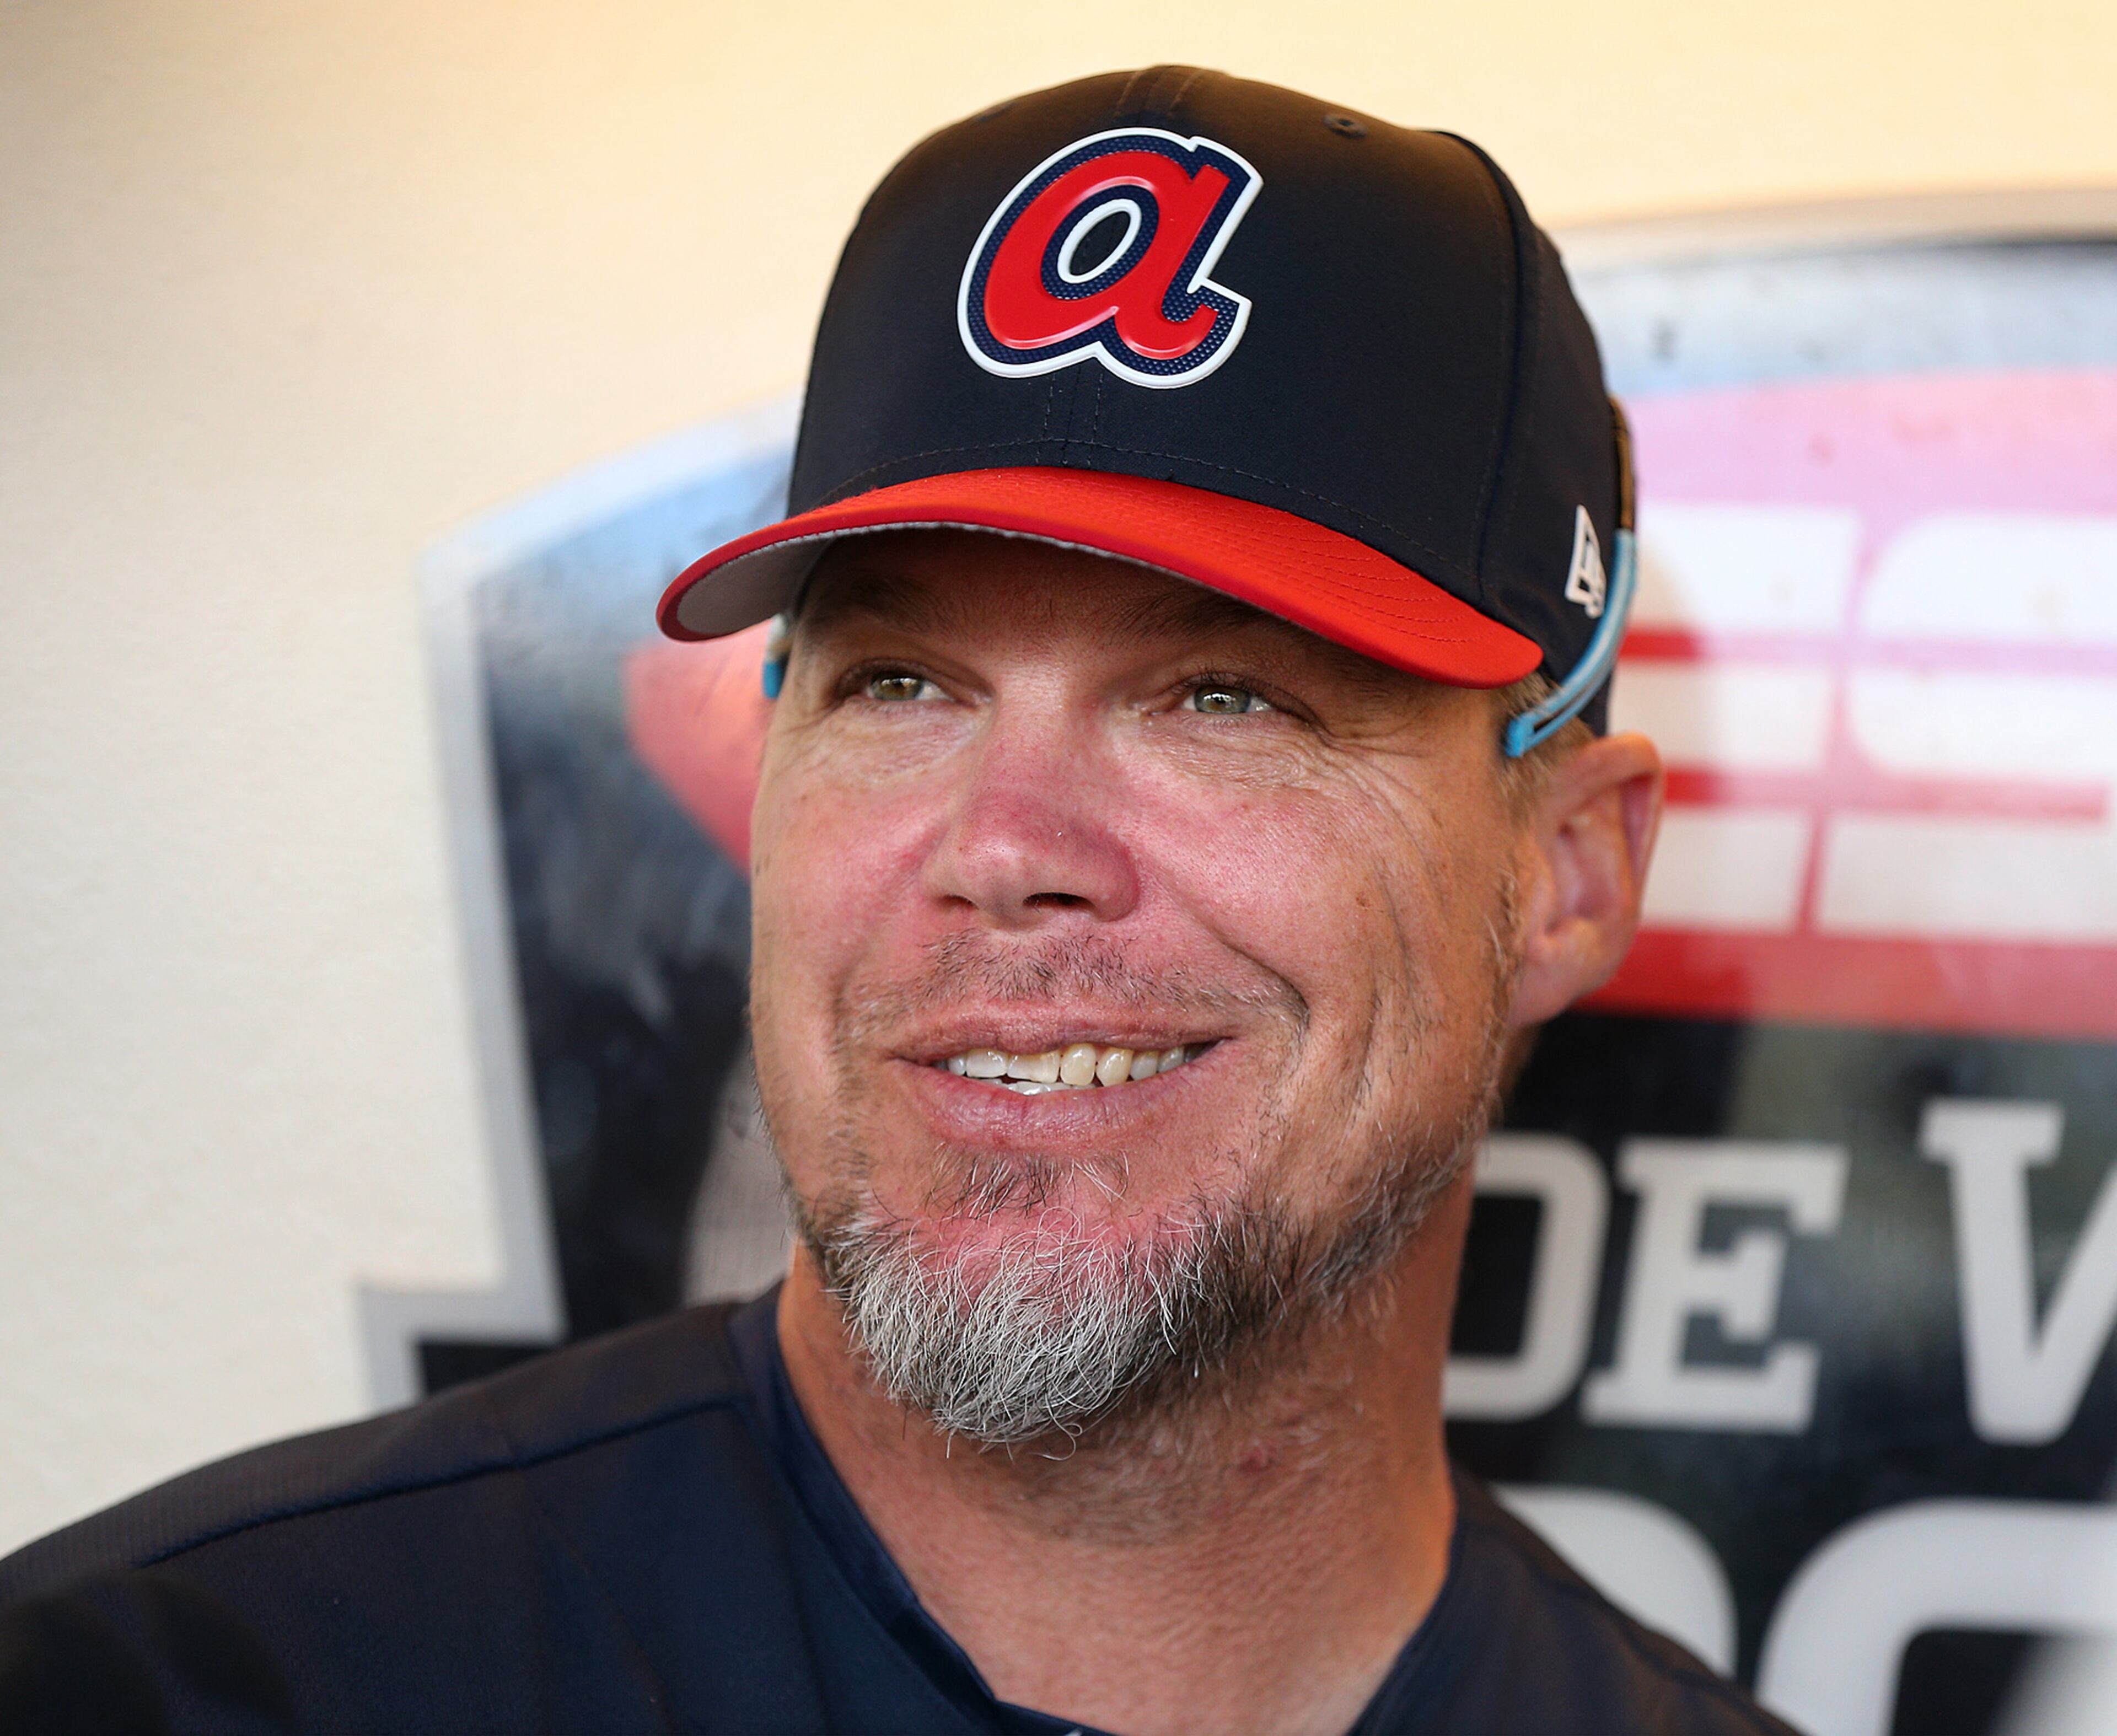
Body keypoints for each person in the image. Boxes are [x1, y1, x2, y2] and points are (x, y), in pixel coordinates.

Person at [0, 66, 1798, 1736]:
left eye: (1226, 697)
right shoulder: (173, 1691)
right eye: (899, 684)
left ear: (1570, 875)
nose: (1003, 845)